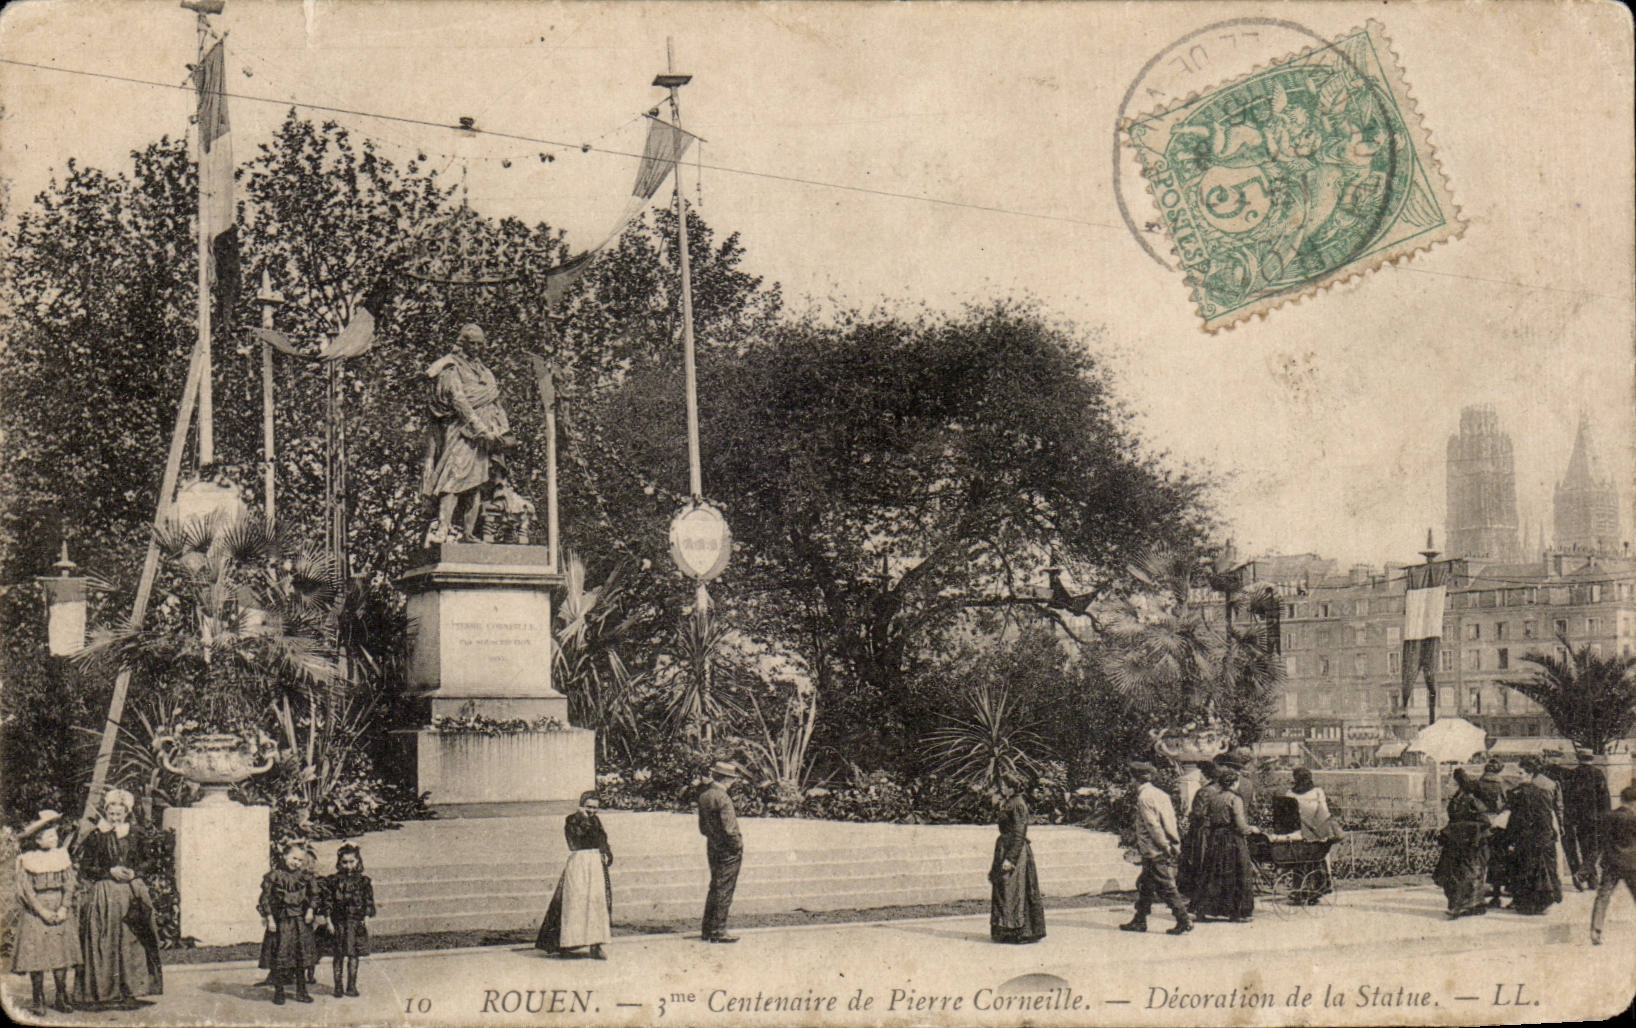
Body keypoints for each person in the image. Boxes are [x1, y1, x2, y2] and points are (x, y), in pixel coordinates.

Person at [422, 323, 511, 544]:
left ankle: (469, 533)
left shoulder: (485, 371)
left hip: (486, 436)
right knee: (453, 477)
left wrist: (498, 430)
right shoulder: (451, 368)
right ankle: (443, 528)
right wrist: (479, 428)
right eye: (473, 343)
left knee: (478, 482)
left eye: (481, 344)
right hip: (462, 432)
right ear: (463, 343)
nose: (478, 348)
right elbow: (458, 400)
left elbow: (494, 400)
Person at [73, 789, 161, 1010]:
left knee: (133, 940)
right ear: (106, 812)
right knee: (105, 940)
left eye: (119, 814)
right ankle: (103, 993)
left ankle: (132, 991)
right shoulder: (96, 835)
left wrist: (134, 872)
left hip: (132, 892)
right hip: (106, 894)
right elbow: (86, 867)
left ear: (126, 812)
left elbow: (149, 861)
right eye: (111, 813)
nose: (115, 818)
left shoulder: (136, 833)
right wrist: (109, 871)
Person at [12, 811, 81, 1016]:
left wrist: (63, 908)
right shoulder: (27, 859)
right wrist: (41, 911)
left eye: (55, 836)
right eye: (49, 836)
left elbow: (70, 884)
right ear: (38, 839)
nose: (55, 839)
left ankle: (61, 996)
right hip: (37, 911)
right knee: (37, 956)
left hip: (59, 906)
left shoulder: (61, 856)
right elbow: (25, 890)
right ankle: (38, 998)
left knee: (60, 955)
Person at [536, 791, 614, 959]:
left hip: (595, 864)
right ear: (581, 806)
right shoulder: (572, 820)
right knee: (574, 902)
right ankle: (567, 944)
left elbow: (602, 840)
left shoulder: (596, 820)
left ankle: (596, 945)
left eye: (595, 808)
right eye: (588, 807)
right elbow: (575, 841)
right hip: (579, 862)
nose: (592, 811)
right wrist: (583, 818)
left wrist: (607, 853)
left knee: (596, 904)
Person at [1120, 762, 1192, 935]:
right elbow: (1170, 820)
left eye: (1130, 778)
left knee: (1165, 885)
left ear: (1134, 779)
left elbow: (1153, 825)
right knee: (1146, 885)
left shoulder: (1144, 797)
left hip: (1154, 849)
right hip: (1164, 844)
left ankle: (1183, 919)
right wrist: (1173, 842)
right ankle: (1139, 920)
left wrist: (1164, 845)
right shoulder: (1160, 794)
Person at [257, 841, 321, 1005]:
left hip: (300, 923)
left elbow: (314, 896)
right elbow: (265, 899)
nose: (296, 863)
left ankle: (301, 991)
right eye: (293, 858)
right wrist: (270, 918)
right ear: (284, 856)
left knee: (300, 958)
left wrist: (310, 911)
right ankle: (279, 991)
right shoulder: (275, 876)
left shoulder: (305, 877)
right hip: (282, 923)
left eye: (300, 860)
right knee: (280, 957)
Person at [1191, 767, 1256, 922]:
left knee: (1212, 872)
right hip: (1232, 839)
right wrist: (1251, 829)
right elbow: (1240, 824)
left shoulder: (1214, 797)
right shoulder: (1235, 799)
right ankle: (1238, 912)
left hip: (1215, 837)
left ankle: (1206, 908)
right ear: (1234, 783)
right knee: (1238, 872)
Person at [988, 774, 1047, 943]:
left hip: (1015, 851)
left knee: (1014, 891)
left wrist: (1010, 859)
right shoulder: (1009, 802)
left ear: (1013, 787)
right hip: (1005, 848)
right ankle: (1006, 930)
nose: (1002, 789)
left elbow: (1020, 833)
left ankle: (1020, 931)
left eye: (1005, 786)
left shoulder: (1018, 804)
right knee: (1005, 891)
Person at [1434, 768, 1495, 919]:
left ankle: (1463, 905)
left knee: (1465, 875)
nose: (1447, 785)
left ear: (1457, 784)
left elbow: (1483, 821)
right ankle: (1467, 905)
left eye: (1450, 782)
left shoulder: (1468, 800)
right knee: (1460, 874)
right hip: (1460, 842)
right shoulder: (1458, 798)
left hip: (1469, 843)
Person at [1505, 761, 1563, 915]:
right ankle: (1540, 903)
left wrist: (1510, 838)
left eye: (1521, 773)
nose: (1517, 776)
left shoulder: (1521, 794)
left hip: (1528, 839)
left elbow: (1516, 820)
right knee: (1537, 871)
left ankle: (1529, 905)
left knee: (1527, 871)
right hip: (1538, 838)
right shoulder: (1540, 792)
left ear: (1530, 775)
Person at [697, 762, 744, 944]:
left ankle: (707, 929)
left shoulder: (705, 796)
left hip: (713, 845)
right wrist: (737, 845)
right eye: (731, 779)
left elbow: (702, 828)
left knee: (715, 886)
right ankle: (718, 930)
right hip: (727, 848)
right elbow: (730, 829)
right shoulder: (723, 798)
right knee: (725, 888)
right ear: (725, 779)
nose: (732, 782)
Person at [321, 843, 374, 998]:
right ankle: (338, 986)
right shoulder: (333, 881)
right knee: (338, 955)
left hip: (355, 923)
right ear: (339, 862)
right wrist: (328, 921)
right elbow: (328, 902)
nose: (348, 865)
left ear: (358, 861)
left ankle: (351, 986)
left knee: (353, 955)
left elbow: (368, 901)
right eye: (345, 862)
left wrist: (366, 917)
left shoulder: (363, 882)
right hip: (339, 923)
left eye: (352, 862)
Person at [1590, 783, 1636, 946]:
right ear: (1633, 803)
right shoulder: (1633, 817)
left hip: (1611, 863)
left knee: (1603, 895)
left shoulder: (1607, 817)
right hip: (1632, 864)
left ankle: (1596, 930)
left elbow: (1601, 841)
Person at [1285, 767, 1339, 904]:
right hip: (1315, 830)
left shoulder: (1290, 794)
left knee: (1299, 861)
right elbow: (1324, 812)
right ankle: (1318, 888)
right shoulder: (1317, 792)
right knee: (1319, 859)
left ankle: (1300, 888)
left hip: (1298, 832)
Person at [1561, 748, 1611, 891]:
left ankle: (1592, 881)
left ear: (1578, 758)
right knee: (1596, 848)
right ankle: (1583, 875)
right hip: (1596, 818)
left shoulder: (1572, 775)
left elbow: (1568, 798)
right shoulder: (1598, 774)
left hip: (1579, 819)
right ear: (1592, 758)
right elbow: (1605, 798)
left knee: (1584, 847)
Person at [1176, 759, 1221, 900]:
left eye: (1201, 775)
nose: (1199, 778)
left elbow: (1198, 813)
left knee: (1197, 862)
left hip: (1201, 831)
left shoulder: (1204, 792)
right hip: (1215, 830)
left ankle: (1195, 896)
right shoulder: (1219, 790)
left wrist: (1188, 816)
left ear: (1205, 775)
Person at [1475, 759, 1511, 908]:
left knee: (1479, 860)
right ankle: (1496, 895)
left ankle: (1477, 896)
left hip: (1480, 823)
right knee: (1497, 860)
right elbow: (1505, 804)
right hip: (1497, 824)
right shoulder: (1502, 784)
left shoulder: (1477, 784)